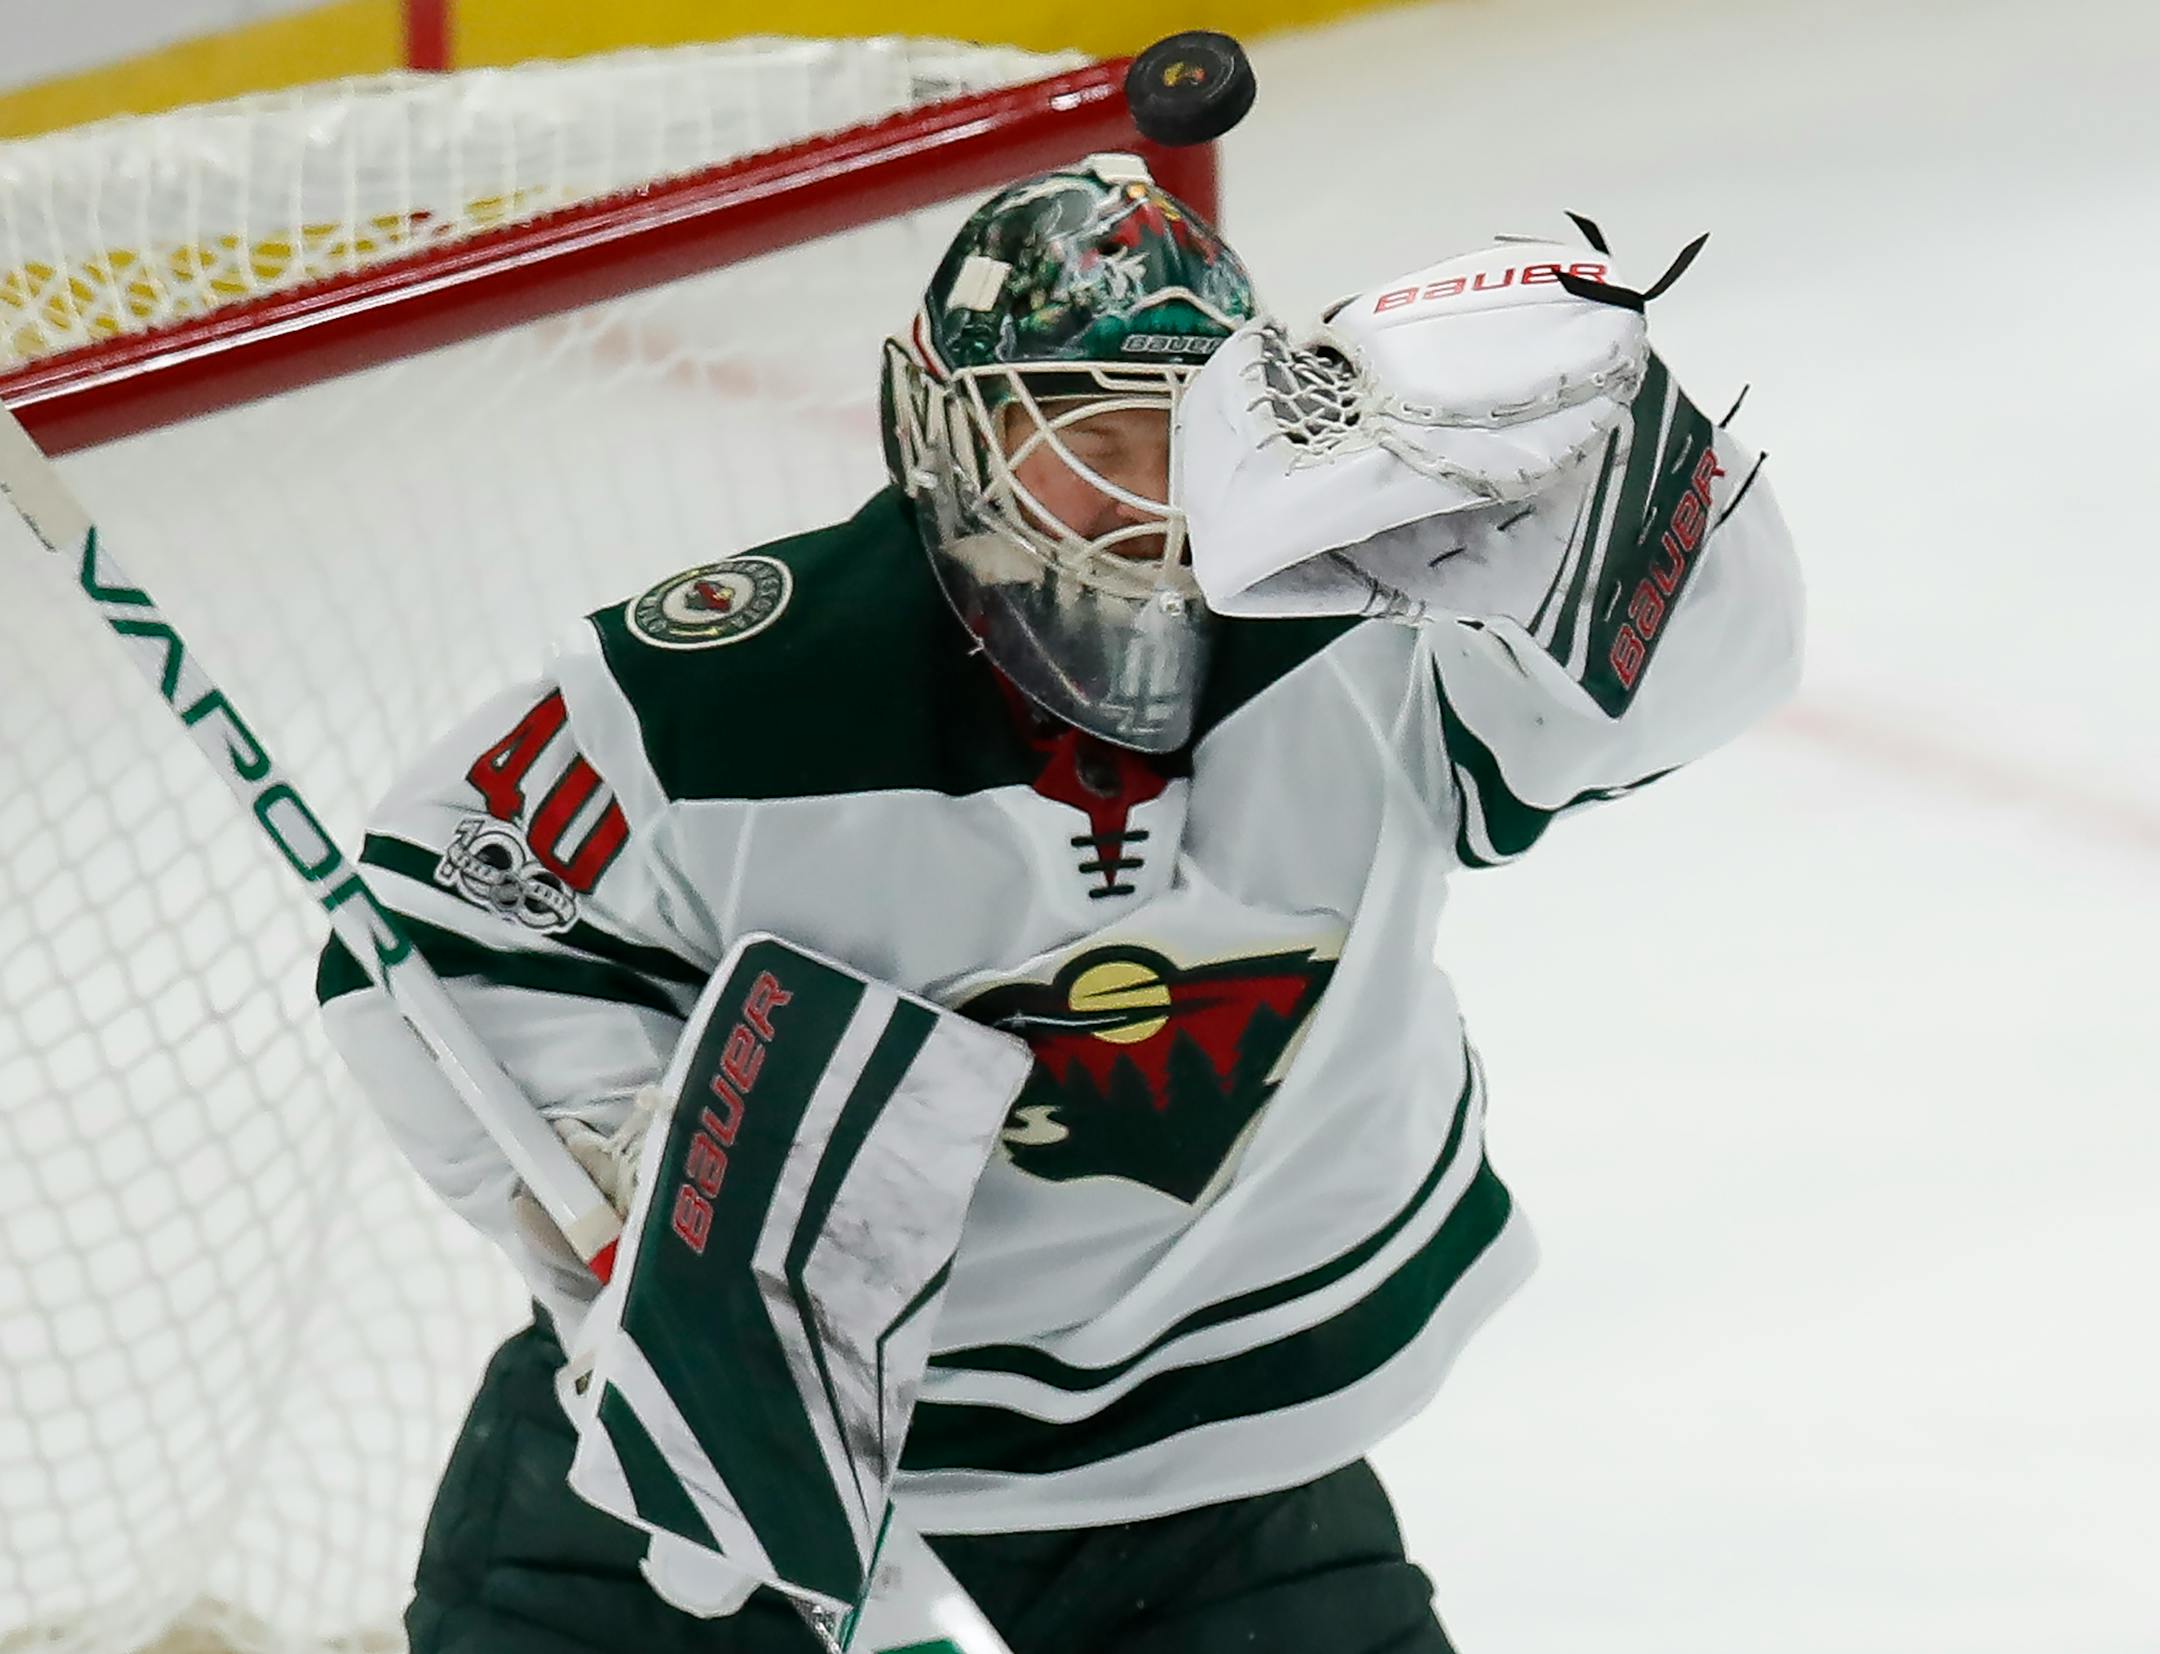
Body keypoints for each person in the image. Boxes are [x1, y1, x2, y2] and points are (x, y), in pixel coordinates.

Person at [320, 153, 1802, 1653]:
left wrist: (1639, 497)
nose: (1143, 494)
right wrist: (622, 1181)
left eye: (1182, 437)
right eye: (1086, 434)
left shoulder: (1376, 630)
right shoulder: (731, 688)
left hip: (1214, 1398)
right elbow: (441, 917)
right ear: (942, 434)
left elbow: (1680, 689)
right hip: (750, 1399)